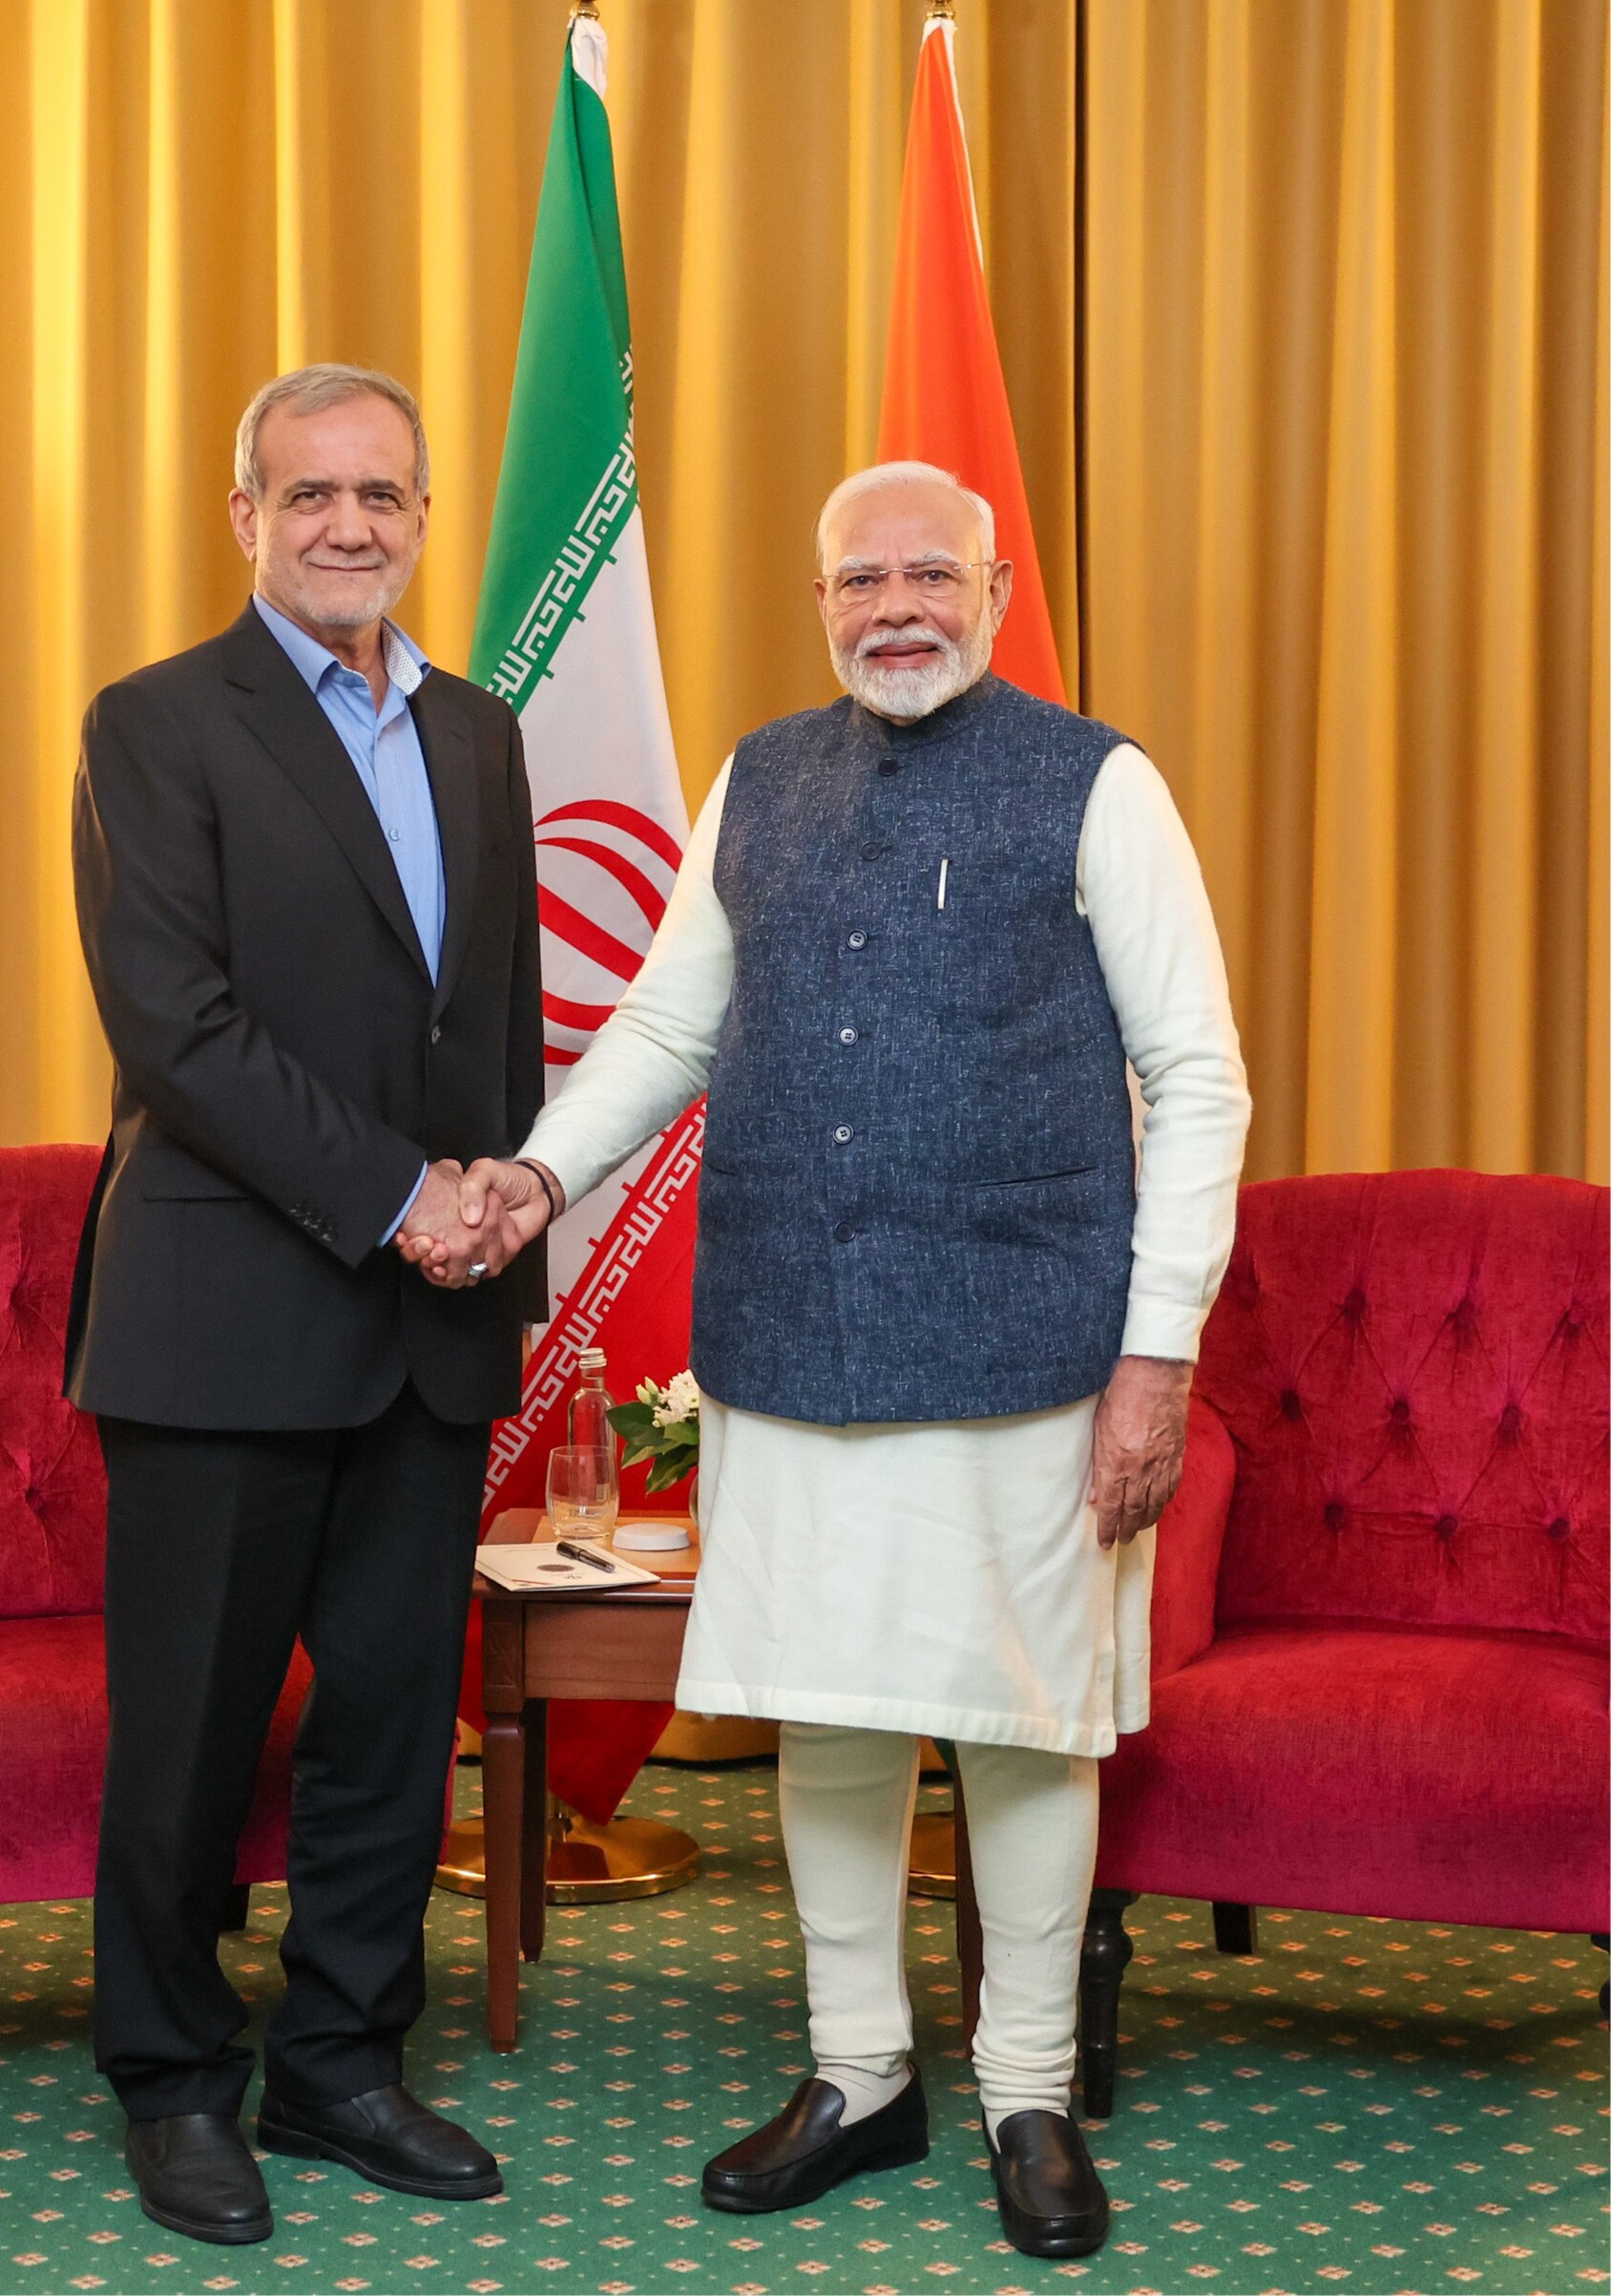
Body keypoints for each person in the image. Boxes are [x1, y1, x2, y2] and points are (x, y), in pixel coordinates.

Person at [406, 460, 1251, 2262]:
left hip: (1033, 1354)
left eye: (929, 573)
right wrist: (542, 1171)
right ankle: (858, 2073)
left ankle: (1027, 2089)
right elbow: (664, 1022)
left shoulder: (1103, 783)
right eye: (860, 577)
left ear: (998, 589)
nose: (896, 607)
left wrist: (1154, 1357)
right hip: (790, 1344)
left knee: (1025, 1734)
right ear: (821, 603)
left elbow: (1200, 1081)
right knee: (833, 1708)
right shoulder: (758, 780)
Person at [66, 363, 544, 2246]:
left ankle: (342, 2056)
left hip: (433, 1319)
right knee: (188, 1726)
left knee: (385, 1726)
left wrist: (505, 1184)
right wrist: (398, 1193)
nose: (352, 523)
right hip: (225, 1312)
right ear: (245, 515)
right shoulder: (157, 724)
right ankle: (173, 2075)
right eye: (311, 492)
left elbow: (487, 1020)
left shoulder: (487, 734)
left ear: (424, 519)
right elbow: (178, 1031)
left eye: (385, 495)